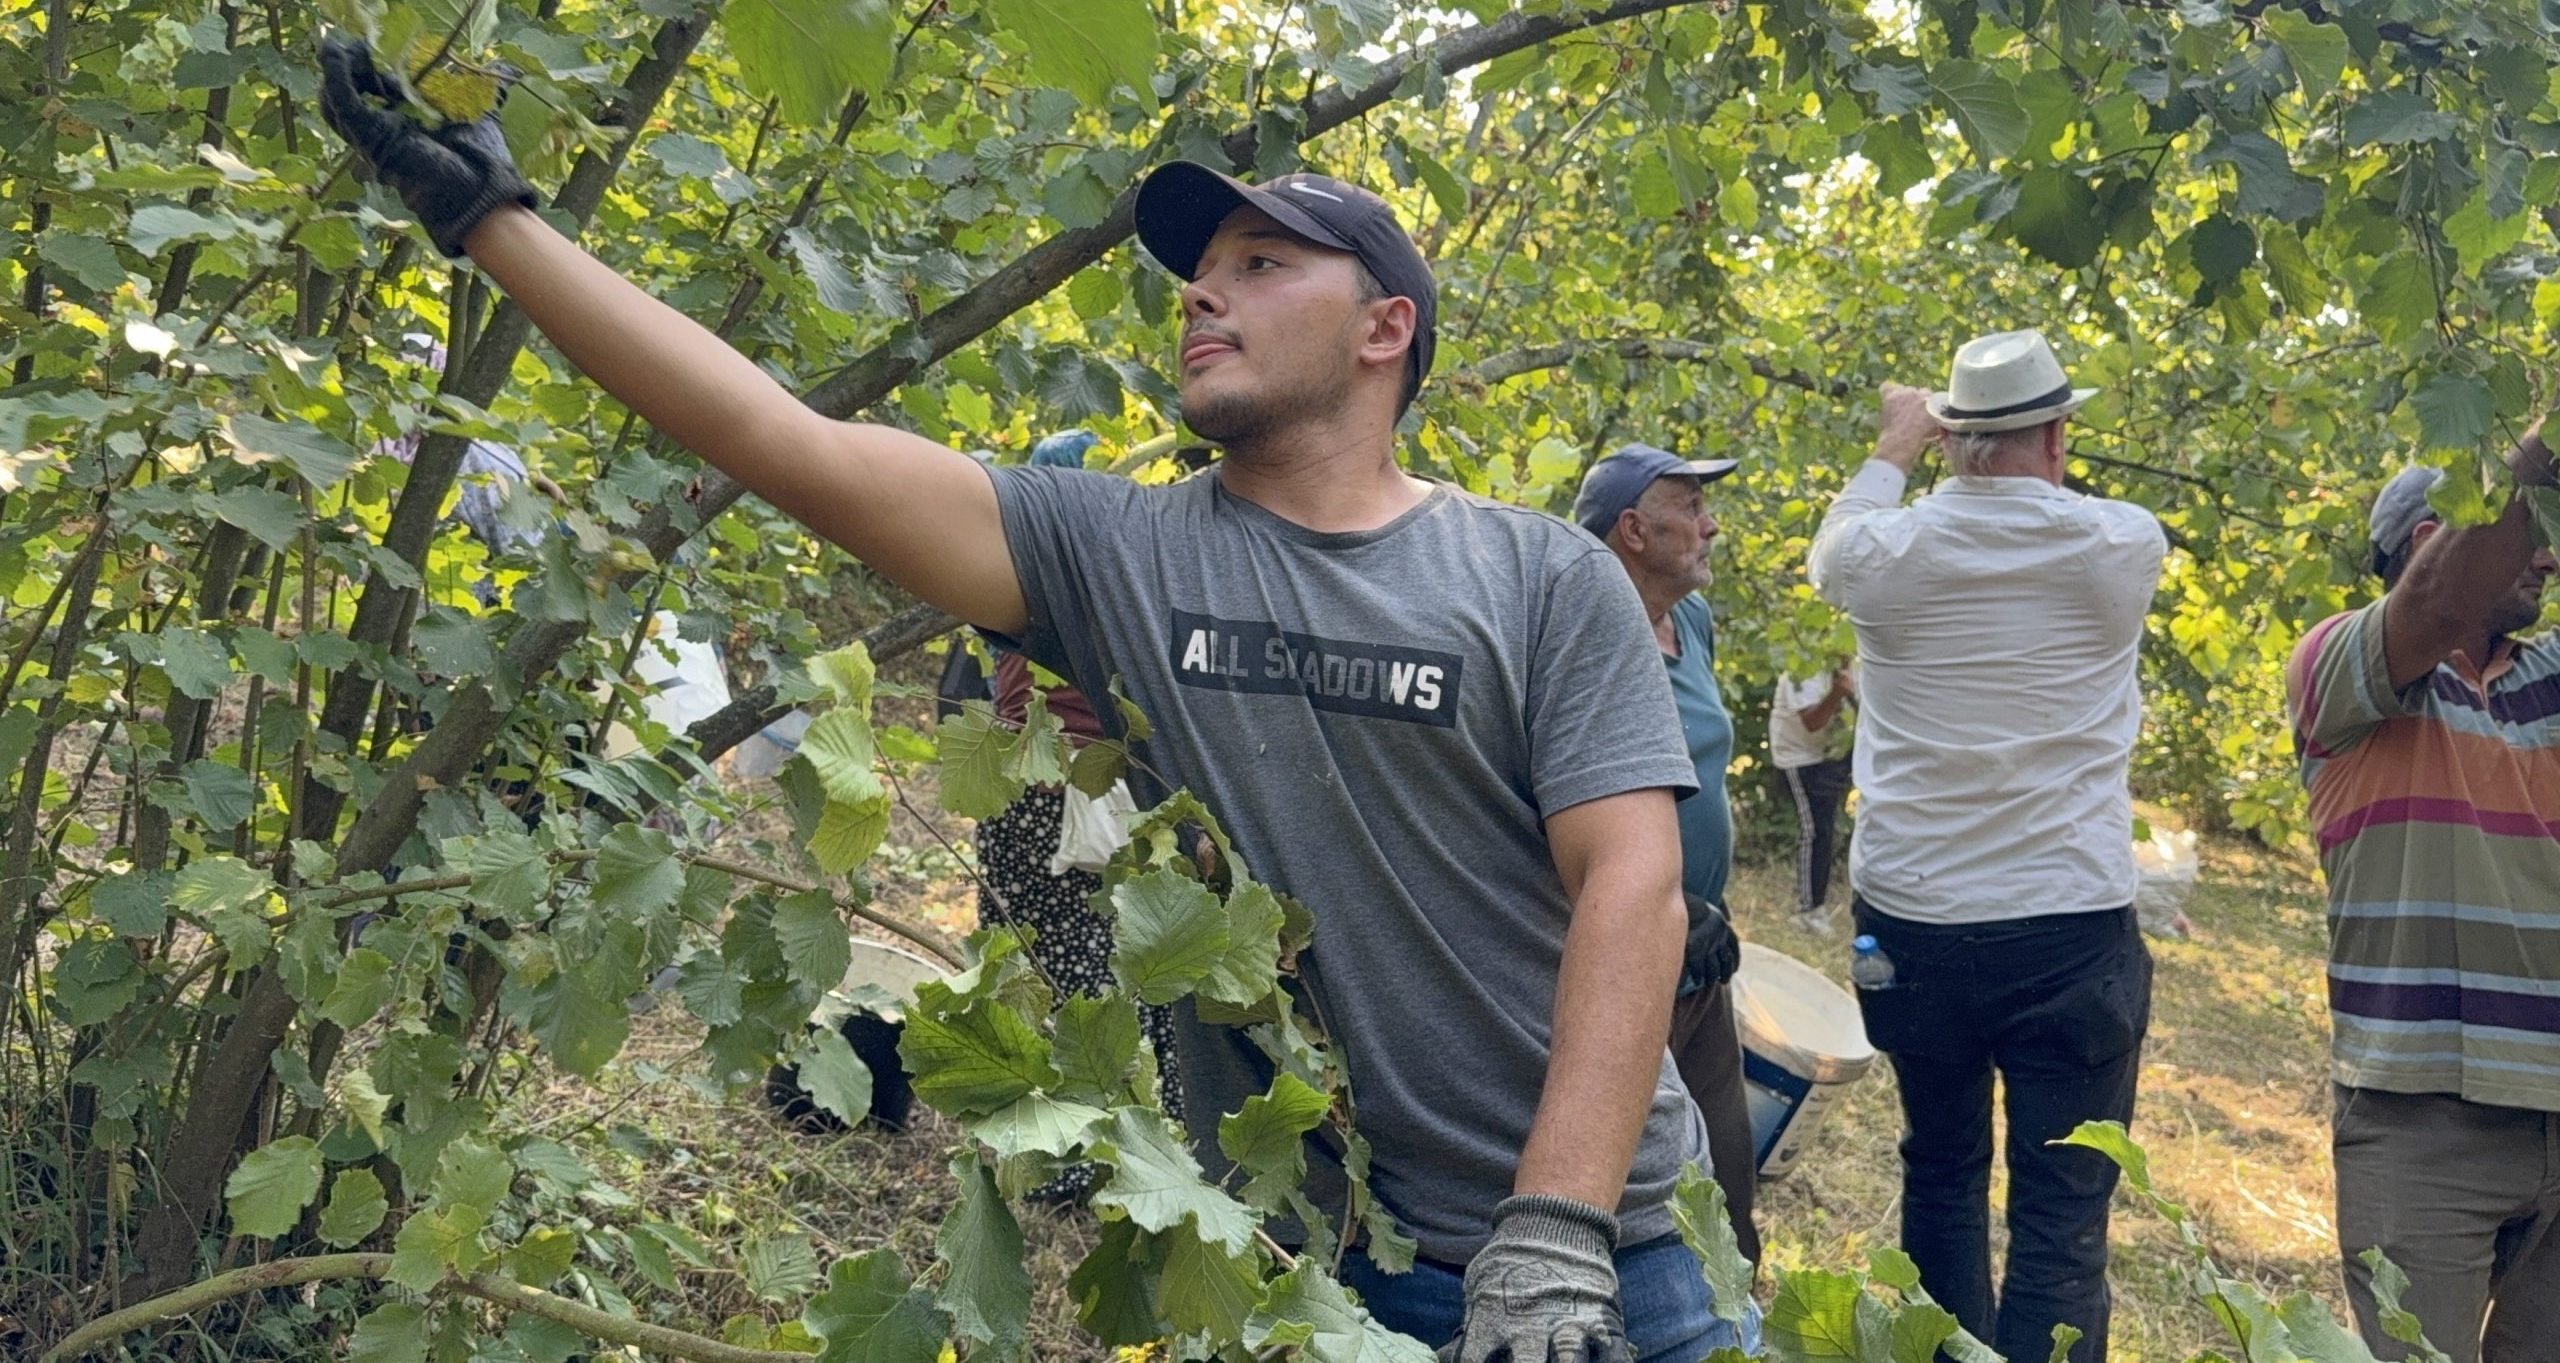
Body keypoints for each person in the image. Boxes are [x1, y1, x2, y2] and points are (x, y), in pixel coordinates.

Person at [319, 44, 1756, 1361]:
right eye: (1199, 272)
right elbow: (775, 434)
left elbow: (1631, 883)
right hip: (1316, 1267)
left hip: (1616, 1253)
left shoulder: (1539, 575)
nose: (1202, 293)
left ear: (1385, 328)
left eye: (1260, 264)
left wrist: (1554, 1230)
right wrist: (492, 220)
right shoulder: (1109, 548)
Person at [1807, 331, 2166, 1363]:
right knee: (2062, 1209)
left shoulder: (1881, 555)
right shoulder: (2121, 545)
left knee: (1940, 1169)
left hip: (1915, 919)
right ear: (2057, 437)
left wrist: (1896, 441)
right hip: (2067, 921)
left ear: (1951, 437)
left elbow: (1834, 548)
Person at [2284, 452, 2560, 1362]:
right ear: (2431, 541)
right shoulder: (2339, 667)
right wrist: (2546, 435)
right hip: (2422, 1118)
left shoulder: (2551, 677)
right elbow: (2439, 607)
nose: (2547, 557)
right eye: (2528, 534)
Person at [1572, 443, 1761, 1268]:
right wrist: (1672, 902)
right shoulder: (1576, 633)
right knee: (1628, 1193)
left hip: (1699, 965)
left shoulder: (1691, 621)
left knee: (1729, 1191)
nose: (1709, 525)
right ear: (1633, 531)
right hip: (1619, 959)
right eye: (1690, 507)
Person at [1768, 661, 1855, 937]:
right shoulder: (1801, 667)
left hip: (1831, 753)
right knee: (1816, 831)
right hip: (1800, 758)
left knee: (1827, 830)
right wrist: (1838, 692)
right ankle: (1809, 911)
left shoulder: (1851, 661)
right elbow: (1812, 722)